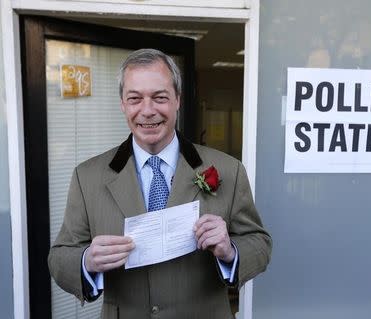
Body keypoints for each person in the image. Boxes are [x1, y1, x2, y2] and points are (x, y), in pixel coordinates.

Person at [48, 48, 272, 319]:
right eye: (135, 99)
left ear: (177, 100)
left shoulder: (228, 169)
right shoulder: (88, 177)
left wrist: (230, 250)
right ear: (122, 104)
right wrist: (87, 261)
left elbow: (259, 243)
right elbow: (59, 259)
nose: (147, 111)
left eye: (159, 97)